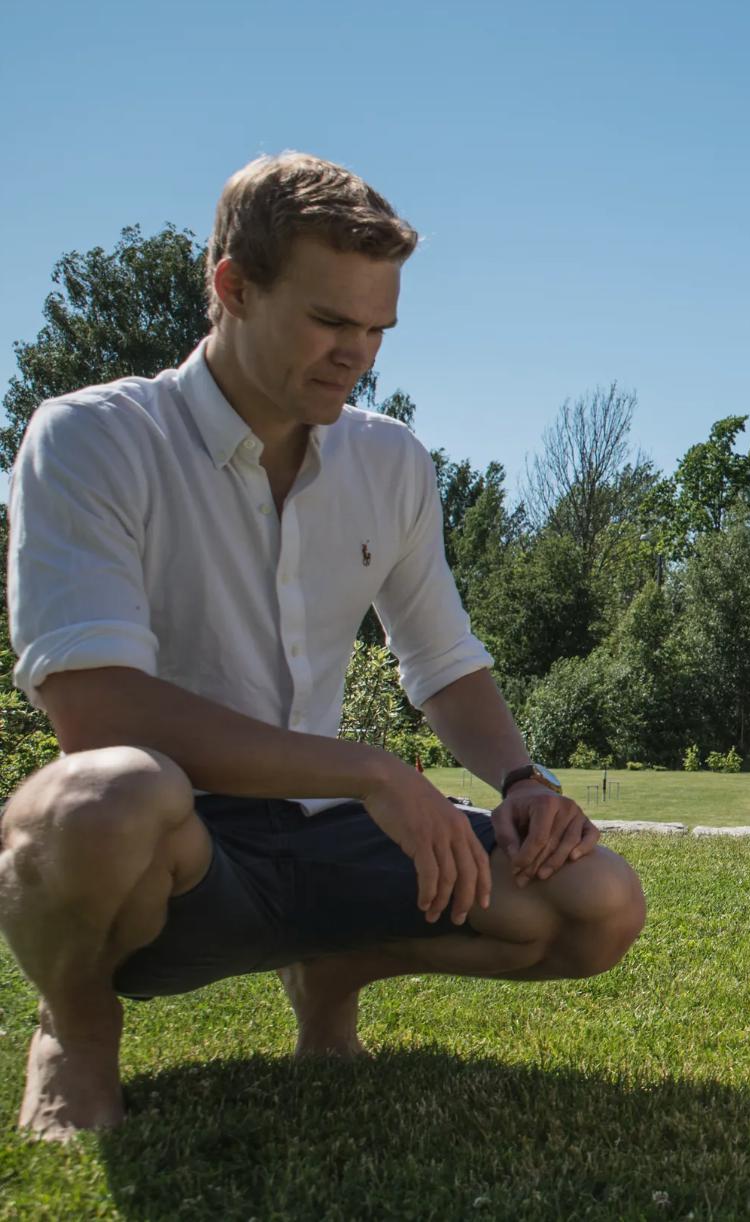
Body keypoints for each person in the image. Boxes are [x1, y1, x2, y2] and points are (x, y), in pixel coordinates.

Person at [1, 153, 647, 1140]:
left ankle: (335, 968)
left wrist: (522, 779)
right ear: (233, 286)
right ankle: (77, 1031)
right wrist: (371, 772)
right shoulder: (92, 439)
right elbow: (98, 710)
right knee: (102, 795)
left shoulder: (389, 460)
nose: (359, 354)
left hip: (331, 836)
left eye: (378, 329)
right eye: (330, 322)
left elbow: (444, 661)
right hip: (176, 856)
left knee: (597, 905)